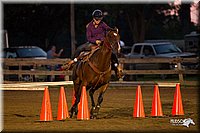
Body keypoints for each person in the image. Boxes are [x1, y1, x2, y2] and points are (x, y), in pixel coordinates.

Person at [64, 9, 123, 79]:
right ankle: (72, 62)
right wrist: (95, 41)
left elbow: (108, 29)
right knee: (80, 48)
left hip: (102, 43)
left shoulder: (103, 24)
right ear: (93, 18)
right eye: (96, 19)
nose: (98, 21)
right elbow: (89, 38)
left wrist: (113, 30)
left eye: (99, 19)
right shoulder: (89, 26)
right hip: (91, 43)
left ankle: (117, 68)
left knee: (112, 53)